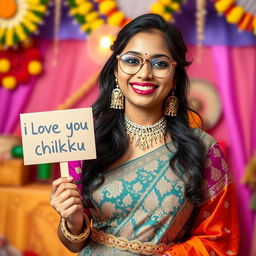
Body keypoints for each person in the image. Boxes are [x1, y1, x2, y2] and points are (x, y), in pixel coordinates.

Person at [50, 13, 239, 255]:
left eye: (160, 63)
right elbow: (74, 244)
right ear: (116, 70)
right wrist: (72, 220)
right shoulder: (87, 139)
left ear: (175, 77)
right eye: (132, 60)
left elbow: (219, 240)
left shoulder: (202, 149)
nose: (144, 73)